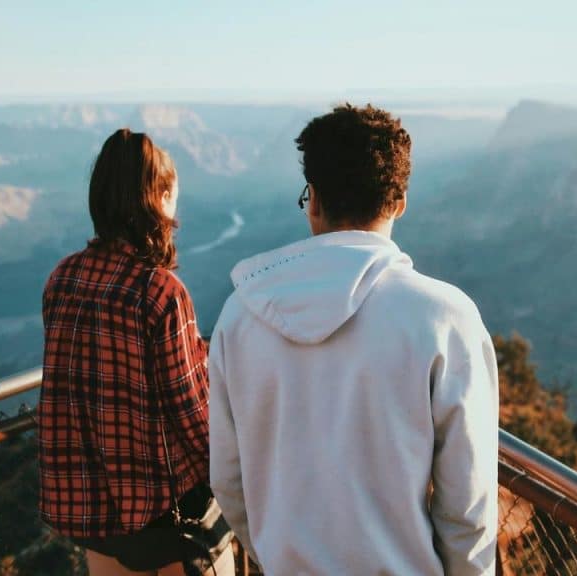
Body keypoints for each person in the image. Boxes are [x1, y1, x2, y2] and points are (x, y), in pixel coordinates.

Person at [208, 104, 499, 575]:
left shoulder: (239, 317)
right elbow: (467, 505)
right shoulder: (446, 319)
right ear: (400, 201)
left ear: (315, 200)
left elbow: (228, 478)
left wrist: (272, 554)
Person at [37, 129, 233, 576]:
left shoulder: (61, 279)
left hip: (93, 509)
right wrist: (239, 480)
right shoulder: (160, 292)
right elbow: (192, 416)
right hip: (163, 513)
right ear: (159, 198)